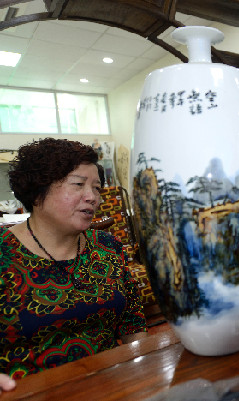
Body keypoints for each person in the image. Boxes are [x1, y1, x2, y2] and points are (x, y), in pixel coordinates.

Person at [0, 138, 147, 390]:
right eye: (78, 185)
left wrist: (145, 378)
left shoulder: (107, 246)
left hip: (112, 387)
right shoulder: (5, 255)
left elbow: (133, 324)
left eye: (97, 188)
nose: (93, 198)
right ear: (38, 191)